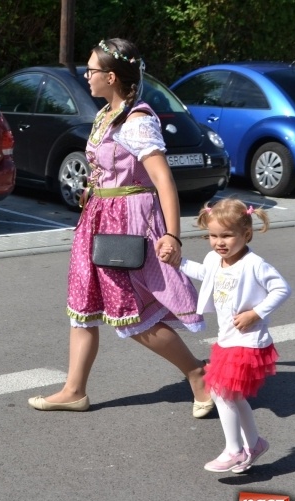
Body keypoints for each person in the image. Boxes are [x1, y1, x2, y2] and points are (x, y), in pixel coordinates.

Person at [27, 38, 213, 418]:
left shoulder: (137, 121)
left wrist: (172, 235)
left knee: (131, 312)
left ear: (111, 77)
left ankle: (198, 374)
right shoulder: (106, 114)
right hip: (97, 218)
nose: (86, 76)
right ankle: (74, 390)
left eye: (91, 70)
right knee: (82, 305)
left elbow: (163, 181)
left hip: (127, 224)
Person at [169, 198, 291, 472]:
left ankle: (234, 450)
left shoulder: (254, 264)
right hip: (227, 339)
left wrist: (255, 313)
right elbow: (205, 273)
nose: (219, 242)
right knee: (233, 396)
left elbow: (282, 289)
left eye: (226, 235)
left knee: (222, 393)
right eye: (213, 236)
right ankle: (255, 444)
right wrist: (178, 262)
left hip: (248, 341)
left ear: (246, 234)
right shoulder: (215, 259)